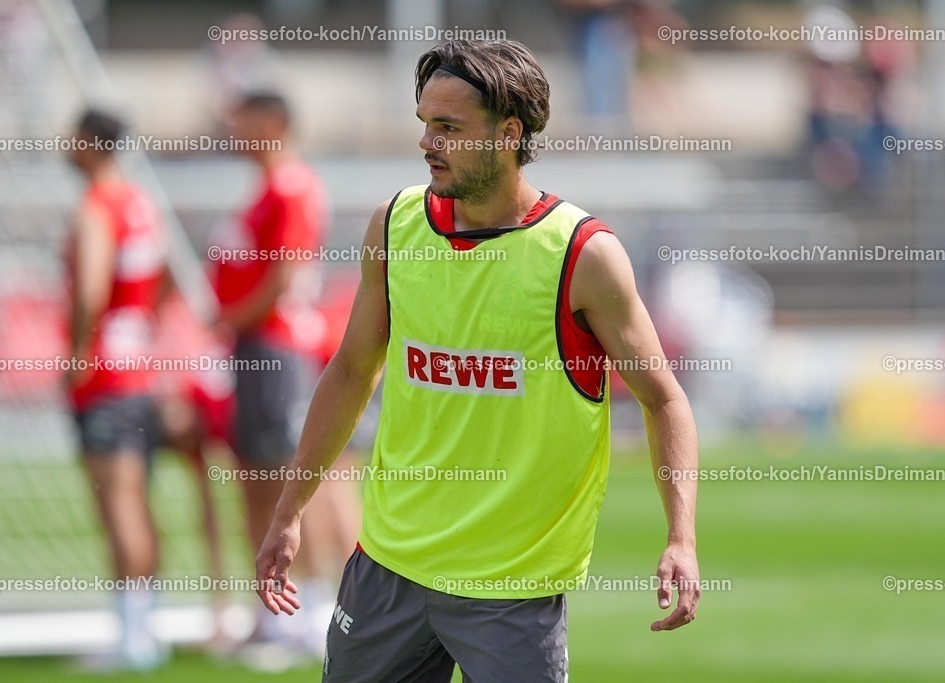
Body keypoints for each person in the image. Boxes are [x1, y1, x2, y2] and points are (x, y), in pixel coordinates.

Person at [255, 39, 701, 681]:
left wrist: (680, 539)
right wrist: (290, 511)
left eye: (448, 127)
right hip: (387, 571)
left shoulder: (582, 255)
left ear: (509, 132)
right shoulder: (395, 225)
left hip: (512, 592)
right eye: (424, 124)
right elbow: (352, 371)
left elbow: (665, 400)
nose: (426, 142)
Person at [210, 90, 343, 659]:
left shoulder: (291, 186)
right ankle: (276, 612)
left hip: (279, 350)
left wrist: (230, 317)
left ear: (272, 123)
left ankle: (311, 613)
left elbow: (285, 275)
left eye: (242, 119)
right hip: (257, 348)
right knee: (259, 478)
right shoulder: (265, 189)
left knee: (293, 480)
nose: (231, 129)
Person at [63, 109, 168, 670]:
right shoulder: (141, 203)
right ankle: (143, 629)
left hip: (106, 377)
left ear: (90, 143)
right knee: (137, 500)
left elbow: (90, 289)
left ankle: (133, 638)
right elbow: (166, 277)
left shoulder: (96, 208)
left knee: (117, 502)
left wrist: (79, 353)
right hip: (140, 371)